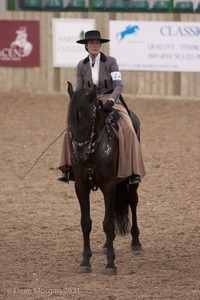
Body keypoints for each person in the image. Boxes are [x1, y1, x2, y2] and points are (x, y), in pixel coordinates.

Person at [58, 30, 146, 184]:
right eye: (91, 43)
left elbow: (118, 85)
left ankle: (133, 171)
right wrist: (78, 102)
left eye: (97, 43)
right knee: (70, 131)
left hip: (110, 98)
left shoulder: (111, 62)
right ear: (86, 46)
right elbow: (79, 89)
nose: (94, 45)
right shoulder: (81, 65)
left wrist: (111, 101)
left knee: (129, 130)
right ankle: (69, 169)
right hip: (89, 101)